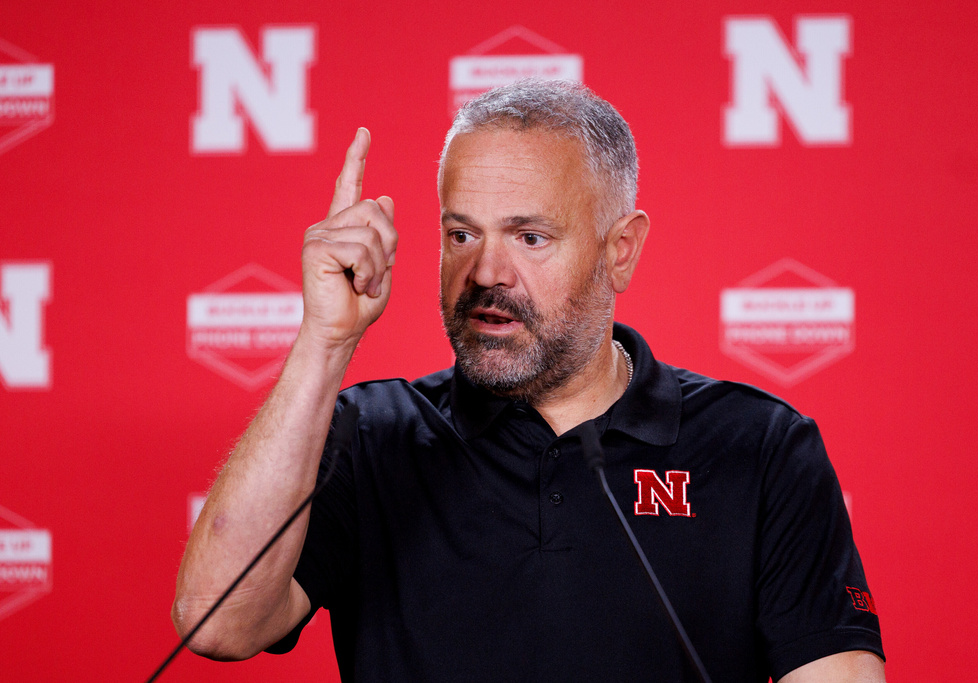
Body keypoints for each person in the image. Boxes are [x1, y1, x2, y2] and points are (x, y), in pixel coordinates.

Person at [172, 79, 885, 682]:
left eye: (530, 237)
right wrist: (324, 342)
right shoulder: (370, 435)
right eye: (461, 233)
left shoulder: (760, 447)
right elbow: (215, 620)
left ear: (621, 252)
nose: (485, 273)